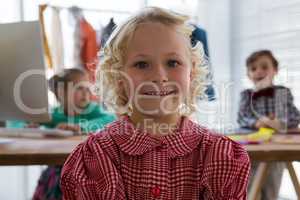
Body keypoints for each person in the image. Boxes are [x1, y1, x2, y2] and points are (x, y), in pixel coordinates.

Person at [61, 7, 250, 199]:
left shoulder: (219, 155)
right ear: (119, 79)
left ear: (190, 74)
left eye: (173, 63)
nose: (159, 76)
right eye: (142, 64)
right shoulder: (97, 156)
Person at [33, 68, 116, 200]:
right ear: (61, 93)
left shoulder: (92, 110)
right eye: (80, 88)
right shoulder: (53, 115)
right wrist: (34, 125)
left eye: (88, 87)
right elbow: (22, 123)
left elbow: (111, 119)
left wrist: (80, 126)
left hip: (89, 168)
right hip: (59, 166)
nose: (87, 92)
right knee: (57, 176)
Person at [237, 50, 300, 199]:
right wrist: (256, 122)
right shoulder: (246, 94)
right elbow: (242, 118)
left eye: (264, 67)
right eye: (253, 69)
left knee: (273, 177)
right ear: (248, 75)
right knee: (250, 182)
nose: (259, 71)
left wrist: (278, 123)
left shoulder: (282, 92)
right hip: (253, 145)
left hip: (278, 144)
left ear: (275, 70)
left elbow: (295, 117)